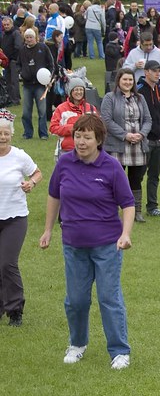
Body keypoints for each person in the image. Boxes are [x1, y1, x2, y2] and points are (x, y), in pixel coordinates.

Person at [40, 114, 134, 369]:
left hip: (106, 245)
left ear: (99, 139)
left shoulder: (111, 167)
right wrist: (48, 230)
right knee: (76, 300)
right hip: (73, 244)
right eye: (77, 136)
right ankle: (77, 344)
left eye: (87, 137)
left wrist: (126, 234)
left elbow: (127, 204)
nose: (81, 142)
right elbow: (53, 196)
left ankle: (119, 351)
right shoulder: (64, 164)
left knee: (108, 297)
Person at [0, 109, 42, 326]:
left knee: (7, 263)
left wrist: (31, 183)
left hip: (14, 217)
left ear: (11, 135)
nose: (2, 137)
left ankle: (15, 309)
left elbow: (37, 172)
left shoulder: (19, 155)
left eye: (6, 133)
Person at [101, 68, 153, 224]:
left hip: (138, 146)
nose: (128, 83)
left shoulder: (140, 98)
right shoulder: (110, 98)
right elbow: (107, 120)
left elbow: (148, 120)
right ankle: (112, 211)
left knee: (136, 180)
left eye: (131, 80)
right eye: (125, 80)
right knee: (116, 179)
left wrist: (141, 134)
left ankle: (136, 211)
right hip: (119, 145)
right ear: (118, 81)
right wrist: (125, 135)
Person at [137, 60, 160, 219]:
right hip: (144, 140)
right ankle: (134, 208)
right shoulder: (139, 91)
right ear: (146, 72)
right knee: (138, 175)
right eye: (154, 70)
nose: (158, 73)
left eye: (159, 70)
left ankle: (152, 206)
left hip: (159, 139)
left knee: (155, 174)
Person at [17, 27, 54, 140]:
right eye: (27, 37)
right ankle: (27, 133)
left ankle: (43, 134)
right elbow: (18, 64)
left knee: (42, 111)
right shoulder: (22, 50)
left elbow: (51, 64)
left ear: (35, 38)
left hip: (40, 85)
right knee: (26, 112)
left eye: (31, 37)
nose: (29, 39)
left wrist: (49, 79)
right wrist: (20, 74)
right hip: (27, 85)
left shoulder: (43, 48)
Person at [49, 78, 98, 157]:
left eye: (81, 89)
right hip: (67, 151)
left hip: (88, 151)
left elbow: (98, 128)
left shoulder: (91, 109)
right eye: (76, 90)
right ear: (70, 92)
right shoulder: (61, 109)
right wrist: (73, 128)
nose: (79, 92)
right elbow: (53, 128)